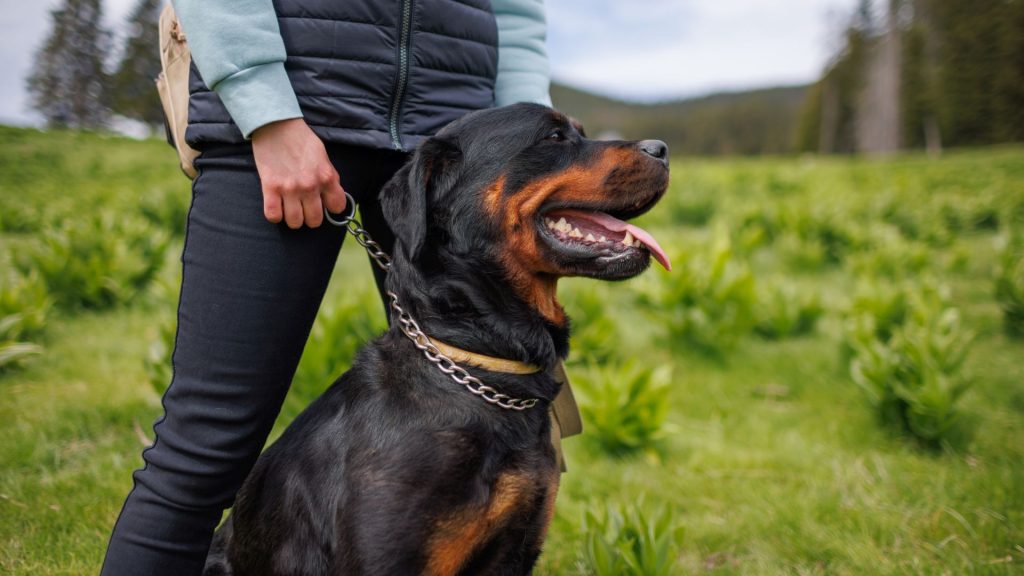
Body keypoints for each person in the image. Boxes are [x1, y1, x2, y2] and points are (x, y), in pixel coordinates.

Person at [100, 1, 552, 573]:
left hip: (455, 140)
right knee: (206, 448)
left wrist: (525, 134)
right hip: (292, 106)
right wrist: (265, 111)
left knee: (502, 417)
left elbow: (515, 9)